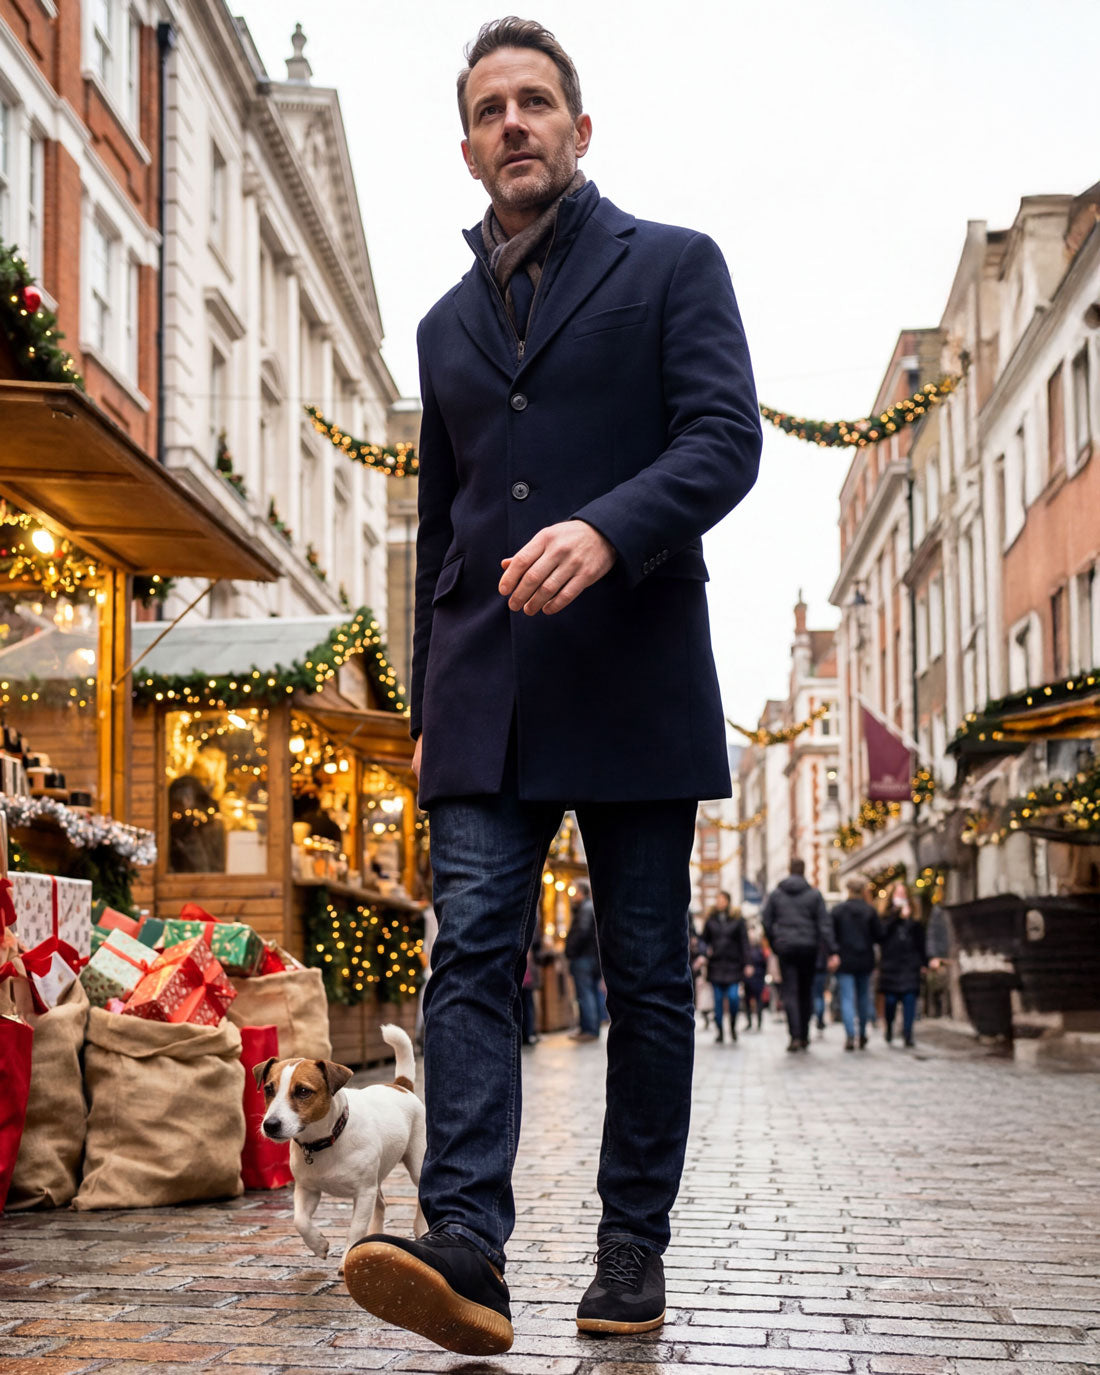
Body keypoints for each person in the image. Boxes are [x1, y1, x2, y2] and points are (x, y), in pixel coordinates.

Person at [340, 17, 761, 1355]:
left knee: (642, 973)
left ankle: (629, 1243)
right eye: (488, 109)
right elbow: (440, 520)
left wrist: (610, 526)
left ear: (581, 130)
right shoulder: (442, 325)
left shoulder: (673, 265)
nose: (513, 123)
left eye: (535, 102)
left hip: (634, 675)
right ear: (466, 149)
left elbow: (725, 439)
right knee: (469, 953)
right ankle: (467, 1239)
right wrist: (420, 705)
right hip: (483, 689)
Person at [762, 859, 837, 1052]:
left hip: (786, 948)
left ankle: (795, 1035)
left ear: (789, 870)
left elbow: (766, 920)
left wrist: (775, 942)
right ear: (804, 871)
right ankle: (804, 1035)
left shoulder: (776, 895)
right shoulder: (814, 894)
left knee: (790, 992)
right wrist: (831, 950)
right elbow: (825, 924)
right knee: (806, 991)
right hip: (808, 948)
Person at [878, 880, 934, 1047]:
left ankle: (908, 1034)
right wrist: (895, 916)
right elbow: (881, 936)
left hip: (910, 964)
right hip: (890, 965)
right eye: (898, 894)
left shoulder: (915, 920)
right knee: (890, 1001)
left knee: (910, 999)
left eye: (903, 895)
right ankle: (889, 1026)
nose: (901, 898)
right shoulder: (885, 917)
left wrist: (925, 962)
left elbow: (920, 942)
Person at [830, 876, 880, 1051]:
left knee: (847, 998)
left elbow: (831, 935)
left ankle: (850, 1035)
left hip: (845, 961)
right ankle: (862, 1034)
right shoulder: (870, 911)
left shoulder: (838, 911)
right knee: (863, 998)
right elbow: (878, 935)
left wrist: (834, 953)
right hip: (865, 959)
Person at [700, 892, 752, 1044]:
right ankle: (720, 1031)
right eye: (717, 899)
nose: (719, 902)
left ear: (728, 901)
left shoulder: (738, 920)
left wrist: (748, 963)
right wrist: (704, 952)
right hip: (716, 965)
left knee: (734, 998)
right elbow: (704, 940)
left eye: (722, 899)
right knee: (717, 1002)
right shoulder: (711, 920)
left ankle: (733, 1026)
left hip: (733, 966)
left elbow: (744, 943)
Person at [564, 880, 601, 1041]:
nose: (573, 895)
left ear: (582, 892)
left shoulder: (585, 909)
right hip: (591, 957)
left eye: (575, 892)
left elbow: (582, 932)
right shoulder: (588, 908)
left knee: (585, 993)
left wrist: (570, 950)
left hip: (584, 958)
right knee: (590, 992)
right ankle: (590, 1027)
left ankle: (590, 1029)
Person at [741, 920, 768, 1031]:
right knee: (747, 1000)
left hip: (758, 978)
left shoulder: (760, 949)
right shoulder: (745, 949)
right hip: (747, 979)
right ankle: (749, 1022)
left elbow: (765, 963)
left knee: (758, 1000)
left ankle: (759, 1022)